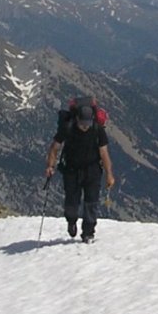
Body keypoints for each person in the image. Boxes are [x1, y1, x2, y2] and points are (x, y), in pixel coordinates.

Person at [45, 102, 116, 242]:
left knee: (91, 202)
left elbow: (104, 153)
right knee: (71, 203)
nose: (85, 126)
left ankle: (88, 233)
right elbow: (54, 148)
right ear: (77, 119)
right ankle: (71, 221)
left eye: (87, 123)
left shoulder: (97, 129)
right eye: (83, 123)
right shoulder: (67, 128)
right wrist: (50, 166)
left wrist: (109, 174)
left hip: (92, 170)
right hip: (72, 170)